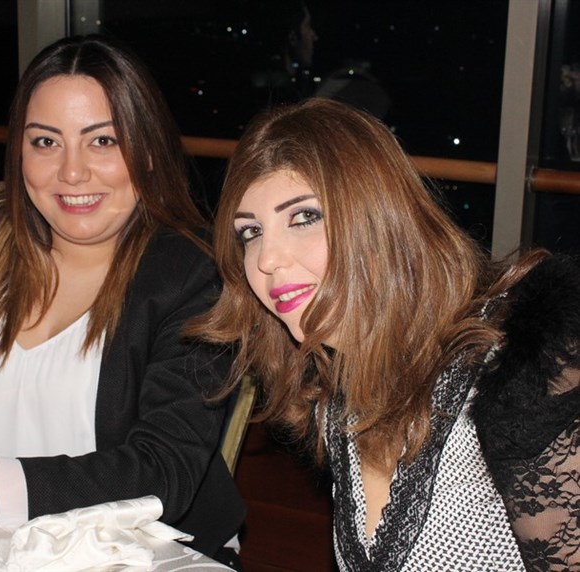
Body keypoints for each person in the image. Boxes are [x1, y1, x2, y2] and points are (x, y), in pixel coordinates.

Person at [0, 35, 245, 564]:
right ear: (18, 151)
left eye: (103, 141)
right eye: (46, 141)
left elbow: (165, 470)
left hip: (138, 550)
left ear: (149, 151)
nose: (72, 172)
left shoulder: (193, 275)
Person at [188, 98, 580, 570]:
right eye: (251, 233)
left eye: (304, 217)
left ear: (378, 218)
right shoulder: (333, 394)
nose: (267, 259)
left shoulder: (520, 368)